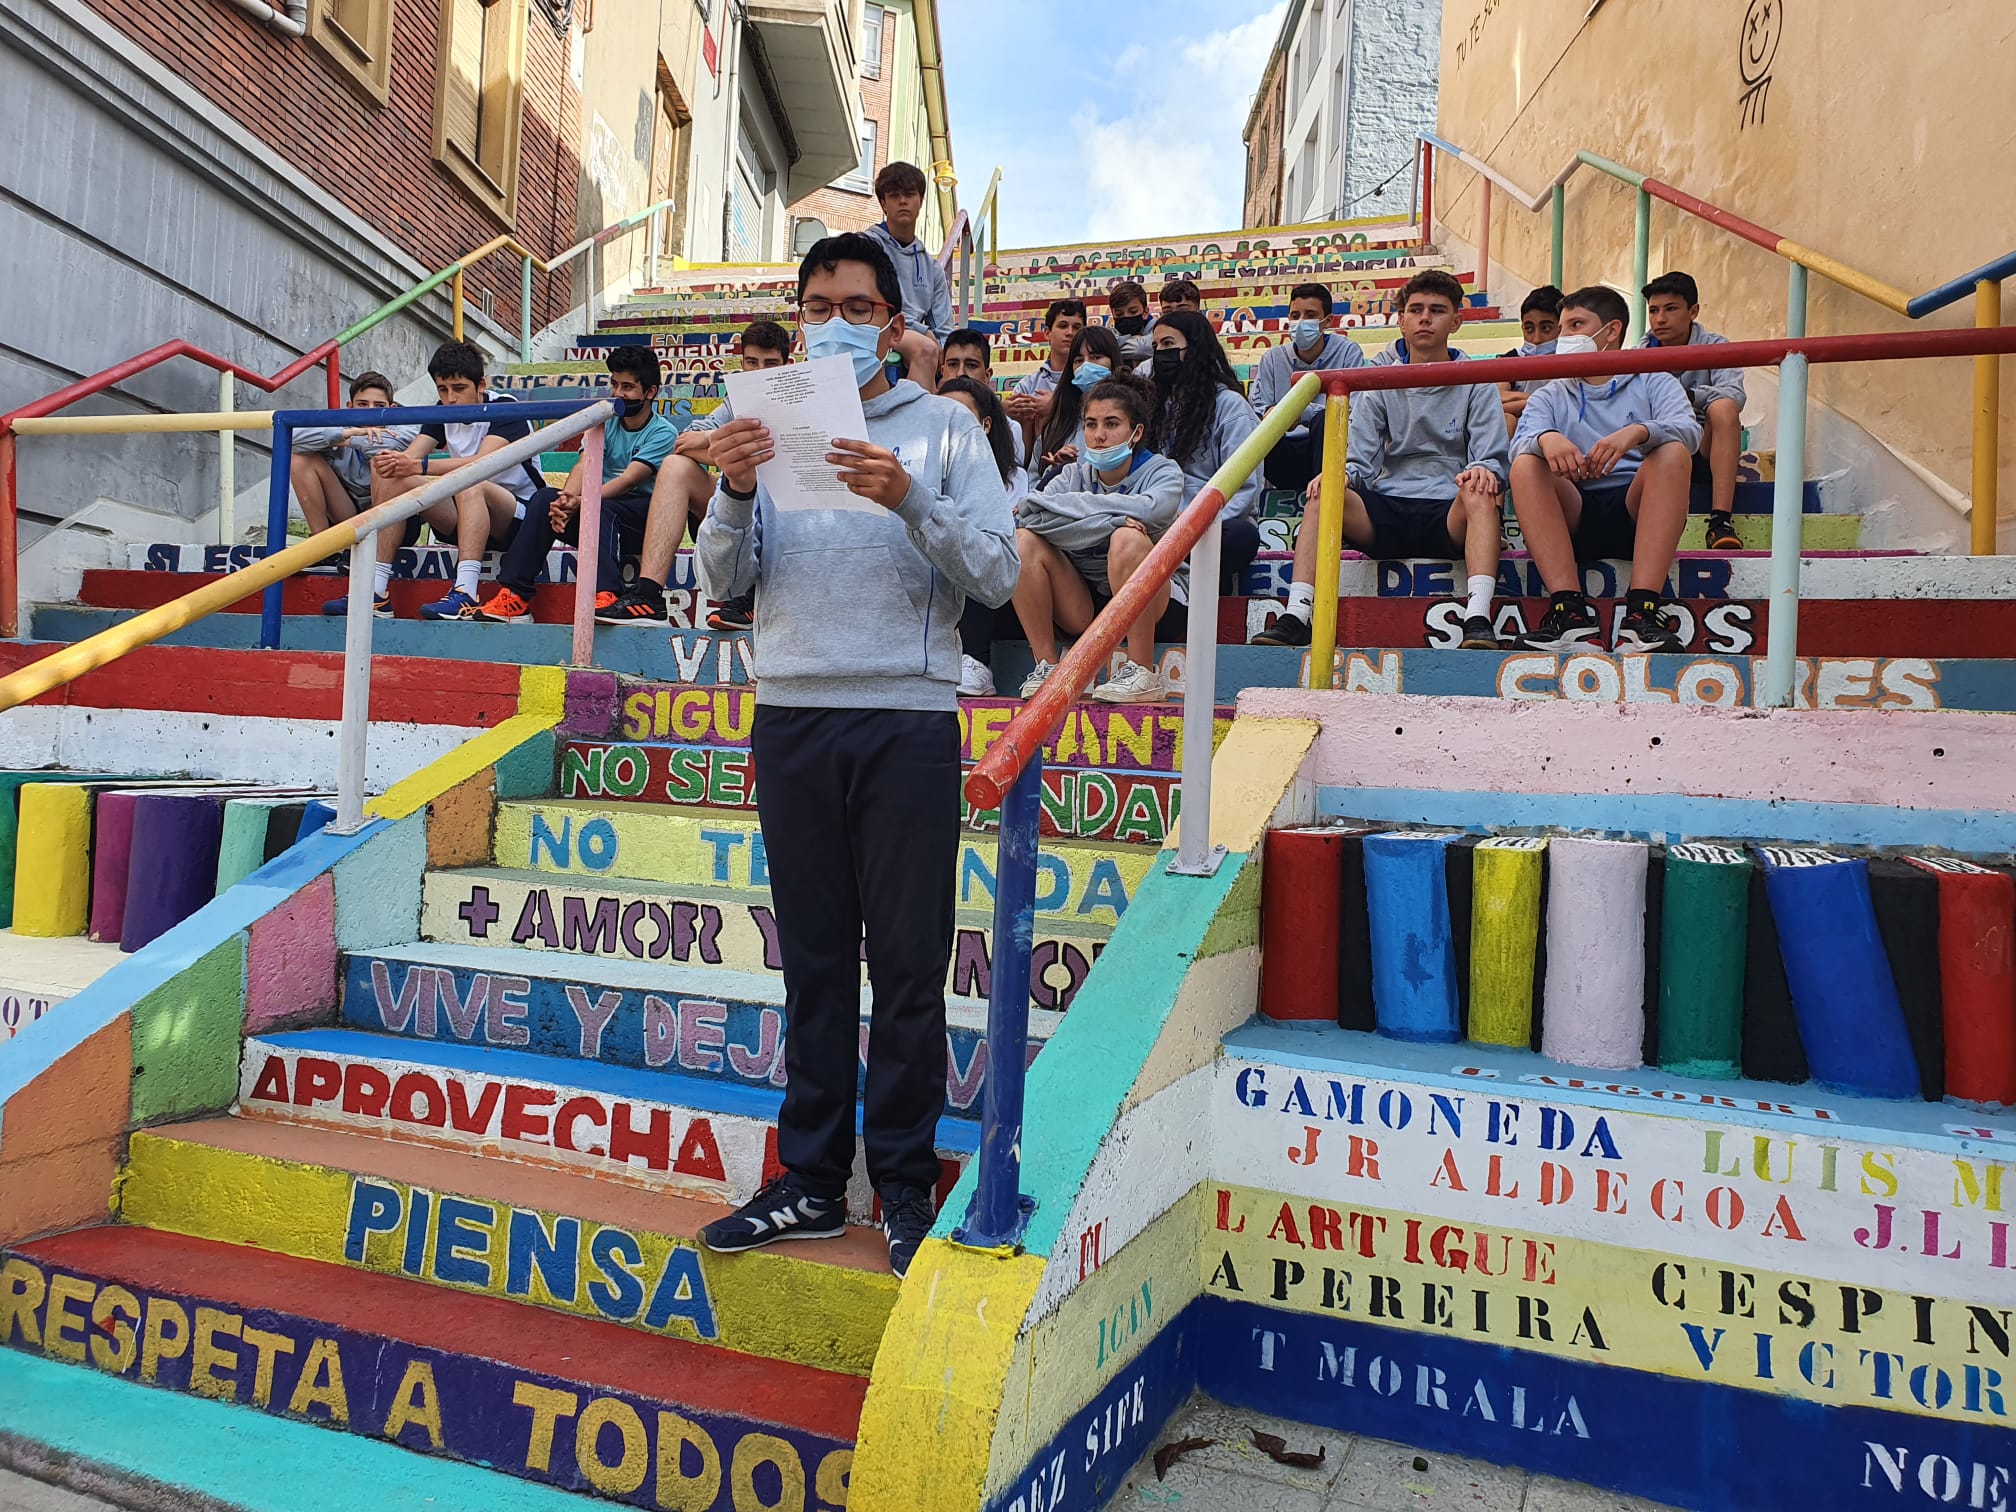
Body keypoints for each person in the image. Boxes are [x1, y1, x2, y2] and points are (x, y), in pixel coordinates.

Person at [693, 233, 1017, 1281]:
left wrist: (909, 498)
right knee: (818, 964)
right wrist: (736, 491)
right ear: (797, 317)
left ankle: (907, 1185)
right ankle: (813, 1182)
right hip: (789, 712)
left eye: (860, 304)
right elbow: (725, 581)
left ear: (892, 321)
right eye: (819, 302)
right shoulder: (763, 432)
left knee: (912, 967)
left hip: (906, 716)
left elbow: (1003, 575)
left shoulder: (949, 431)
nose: (839, 319)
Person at [1254, 270, 1511, 651]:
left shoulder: (1477, 380)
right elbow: (1359, 461)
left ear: (1455, 321)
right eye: (1416, 309)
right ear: (1402, 319)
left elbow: (1491, 460)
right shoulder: (1377, 379)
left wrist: (1481, 471)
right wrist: (1341, 475)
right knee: (1325, 490)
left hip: (1449, 510)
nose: (1425, 318)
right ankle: (1297, 614)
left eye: (1437, 310)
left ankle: (1477, 617)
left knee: (1479, 487)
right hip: (1387, 509)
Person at [1508, 285, 1702, 654]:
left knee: (1673, 451)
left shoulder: (1655, 379)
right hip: (1573, 512)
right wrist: (1547, 438)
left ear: (1612, 331)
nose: (1563, 338)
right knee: (1525, 463)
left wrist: (1638, 432)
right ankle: (1569, 615)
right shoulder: (1551, 392)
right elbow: (1521, 443)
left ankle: (1641, 614)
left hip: (1638, 509)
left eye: (1575, 325)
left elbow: (1690, 431)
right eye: (1562, 328)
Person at [320, 341, 541, 620]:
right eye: (442, 389)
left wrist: (418, 465)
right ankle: (375, 591)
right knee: (389, 471)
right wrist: (395, 463)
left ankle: (465, 592)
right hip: (465, 514)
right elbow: (410, 459)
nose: (450, 399)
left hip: (518, 518)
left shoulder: (506, 409)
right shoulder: (441, 410)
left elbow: (482, 464)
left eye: (459, 389)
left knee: (470, 479)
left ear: (481, 384)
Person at [474, 345, 678, 625]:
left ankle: (606, 594)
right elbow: (584, 465)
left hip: (641, 521)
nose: (618, 394)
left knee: (602, 507)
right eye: (615, 384)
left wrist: (585, 502)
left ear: (650, 392)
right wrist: (566, 501)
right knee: (545, 498)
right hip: (600, 512)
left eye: (628, 387)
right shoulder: (604, 421)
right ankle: (515, 596)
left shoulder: (664, 432)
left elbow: (630, 478)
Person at [612, 321, 793, 635]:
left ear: (787, 366)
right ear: (742, 363)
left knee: (761, 471)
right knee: (675, 466)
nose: (759, 371)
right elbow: (685, 441)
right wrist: (724, 445)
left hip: (787, 510)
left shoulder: (800, 397)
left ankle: (750, 595)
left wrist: (720, 445)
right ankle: (648, 595)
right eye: (752, 362)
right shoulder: (737, 402)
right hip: (738, 501)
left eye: (770, 364)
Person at [1012, 377, 1185, 704]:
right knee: (1024, 541)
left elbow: (1153, 511)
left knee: (1127, 539)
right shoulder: (1073, 475)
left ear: (1136, 433)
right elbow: (1032, 515)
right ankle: (1047, 667)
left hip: (1154, 604)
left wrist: (1075, 515)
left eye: (1112, 424)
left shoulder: (1164, 472)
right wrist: (1116, 517)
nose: (1099, 435)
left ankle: (1142, 670)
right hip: (1084, 600)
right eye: (1091, 424)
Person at [1149, 309, 1263, 592]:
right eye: (1155, 347)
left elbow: (1245, 491)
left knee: (1241, 536)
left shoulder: (1232, 408)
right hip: (1161, 521)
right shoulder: (1156, 407)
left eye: (1168, 345)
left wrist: (1192, 523)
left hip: (1211, 525)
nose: (1160, 353)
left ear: (1195, 349)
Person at [1641, 271, 1747, 550]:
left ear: (1693, 311)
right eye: (1653, 310)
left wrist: (1687, 396)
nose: (1660, 319)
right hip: (1658, 449)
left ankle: (1720, 522)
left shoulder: (1716, 346)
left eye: (1671, 309)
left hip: (1703, 450)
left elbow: (1734, 395)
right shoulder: (1638, 355)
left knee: (1724, 408)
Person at [940, 375, 1029, 697]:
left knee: (978, 545)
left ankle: (976, 661)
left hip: (993, 596)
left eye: (961, 418)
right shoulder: (922, 475)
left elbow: (1004, 534)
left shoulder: (1012, 477)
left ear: (986, 425)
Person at [1251, 282, 1365, 493]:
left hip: (1328, 448)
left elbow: (1355, 412)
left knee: (1327, 419)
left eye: (1310, 315)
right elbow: (1259, 409)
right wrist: (1275, 416)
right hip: (1283, 448)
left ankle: (1327, 493)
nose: (1301, 322)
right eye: (1295, 316)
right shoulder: (1273, 358)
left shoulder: (1348, 352)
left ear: (1327, 321)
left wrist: (1301, 412)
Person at [289, 371, 417, 533]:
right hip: (348, 511)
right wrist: (346, 434)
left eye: (379, 406)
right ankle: (323, 548)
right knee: (299, 460)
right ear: (350, 407)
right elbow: (290, 439)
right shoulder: (342, 426)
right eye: (362, 404)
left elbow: (387, 446)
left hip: (397, 518)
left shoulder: (406, 423)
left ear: (392, 408)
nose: (370, 411)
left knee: (383, 459)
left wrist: (348, 439)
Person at [862, 161, 952, 389]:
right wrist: (923, 332)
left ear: (920, 201)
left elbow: (944, 327)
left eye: (910, 194)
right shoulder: (866, 246)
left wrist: (947, 355)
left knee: (959, 362)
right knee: (925, 348)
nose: (903, 201)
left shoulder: (931, 267)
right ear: (883, 203)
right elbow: (873, 302)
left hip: (911, 336)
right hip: (874, 325)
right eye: (894, 195)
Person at [1033, 326, 1128, 478]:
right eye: (1078, 360)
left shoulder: (1133, 418)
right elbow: (1034, 481)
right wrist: (1059, 473)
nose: (1086, 365)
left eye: (1096, 357)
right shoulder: (1057, 426)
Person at [1003, 299, 1086, 457]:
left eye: (1077, 327)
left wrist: (1055, 408)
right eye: (1063, 326)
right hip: (1036, 467)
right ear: (1047, 333)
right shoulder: (1027, 386)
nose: (1070, 332)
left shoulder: (1092, 377)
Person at [941, 328, 1028, 469]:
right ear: (942, 371)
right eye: (953, 364)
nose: (961, 373)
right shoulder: (926, 420)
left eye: (971, 365)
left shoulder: (1010, 429)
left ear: (988, 375)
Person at [1108, 280, 1155, 365]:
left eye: (1133, 312)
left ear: (1145, 312)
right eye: (1119, 314)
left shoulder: (1158, 328)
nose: (1126, 316)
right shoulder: (1109, 334)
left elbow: (1140, 349)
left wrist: (1116, 346)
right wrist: (1133, 340)